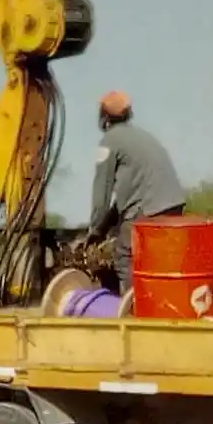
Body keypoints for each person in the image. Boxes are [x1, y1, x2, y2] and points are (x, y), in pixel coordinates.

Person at [81, 90, 187, 294]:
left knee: (123, 254)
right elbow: (128, 194)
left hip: (149, 209)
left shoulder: (109, 142)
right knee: (157, 260)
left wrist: (94, 231)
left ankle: (137, 310)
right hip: (173, 205)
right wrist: (105, 225)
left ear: (103, 116)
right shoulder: (143, 136)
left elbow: (101, 192)